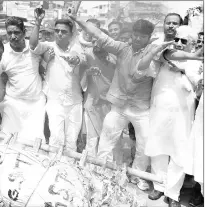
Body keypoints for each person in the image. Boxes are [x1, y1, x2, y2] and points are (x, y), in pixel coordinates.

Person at [69, 15, 168, 191]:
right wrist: (76, 19)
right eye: (136, 35)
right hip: (119, 106)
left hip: (141, 108)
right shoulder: (122, 49)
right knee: (107, 139)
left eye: (142, 36)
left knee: (143, 144)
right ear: (131, 34)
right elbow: (99, 34)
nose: (138, 39)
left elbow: (171, 55)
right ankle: (99, 171)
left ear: (149, 37)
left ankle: (138, 176)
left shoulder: (153, 52)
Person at [140, 25, 203, 207]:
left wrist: (191, 78)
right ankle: (159, 186)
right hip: (160, 109)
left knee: (180, 153)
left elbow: (198, 91)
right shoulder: (165, 55)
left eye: (184, 41)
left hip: (183, 114)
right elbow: (163, 57)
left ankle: (172, 193)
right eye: (177, 39)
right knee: (157, 148)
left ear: (192, 43)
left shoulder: (198, 63)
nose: (179, 43)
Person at [30, 11, 85, 160]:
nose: (60, 34)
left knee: (72, 140)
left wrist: (76, 60)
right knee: (56, 138)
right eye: (57, 31)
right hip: (55, 101)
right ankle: (55, 167)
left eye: (63, 31)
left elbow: (81, 59)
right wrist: (37, 23)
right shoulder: (48, 47)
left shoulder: (78, 48)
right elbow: (33, 44)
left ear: (70, 33)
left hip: (75, 101)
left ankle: (70, 170)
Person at [0, 16, 46, 145]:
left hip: (35, 104)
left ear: (24, 33)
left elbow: (53, 50)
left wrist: (38, 22)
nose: (13, 36)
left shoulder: (34, 47)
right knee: (7, 141)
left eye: (17, 32)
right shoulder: (2, 52)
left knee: (33, 144)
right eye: (9, 33)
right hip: (13, 102)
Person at [79, 29, 116, 158]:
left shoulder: (115, 58)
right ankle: (89, 171)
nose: (95, 45)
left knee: (108, 143)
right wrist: (87, 72)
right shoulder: (87, 55)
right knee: (91, 140)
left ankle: (105, 172)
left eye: (98, 42)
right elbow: (81, 80)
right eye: (93, 41)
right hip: (92, 103)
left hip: (110, 106)